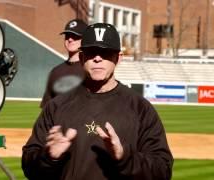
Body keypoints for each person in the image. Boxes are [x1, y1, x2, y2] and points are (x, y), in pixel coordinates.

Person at [22, 23, 173, 180]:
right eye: (91, 52)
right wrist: (48, 157)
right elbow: (28, 166)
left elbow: (163, 170)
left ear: (118, 58)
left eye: (105, 52)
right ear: (81, 58)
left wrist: (124, 157)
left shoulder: (140, 109)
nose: (98, 58)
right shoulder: (56, 107)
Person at [40, 19, 87, 108]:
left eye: (75, 36)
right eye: (67, 36)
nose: (70, 39)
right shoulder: (55, 71)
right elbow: (47, 109)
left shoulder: (91, 70)